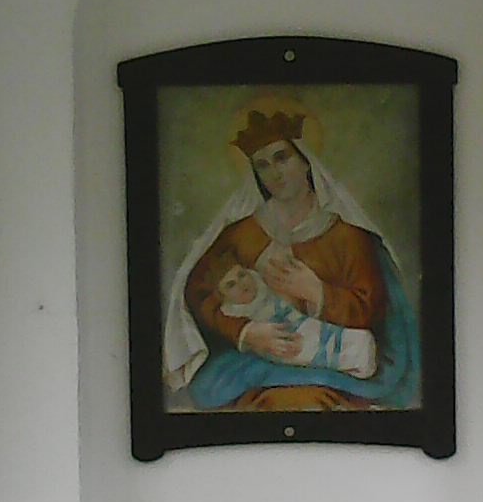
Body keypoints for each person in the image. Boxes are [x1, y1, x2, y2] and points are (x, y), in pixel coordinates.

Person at [163, 95, 419, 412]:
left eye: (282, 158)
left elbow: (373, 308)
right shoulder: (240, 234)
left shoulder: (349, 237)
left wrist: (319, 293)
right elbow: (198, 292)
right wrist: (245, 333)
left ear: (306, 161)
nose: (275, 173)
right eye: (263, 165)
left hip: (334, 371)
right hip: (257, 368)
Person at [216, 258, 377, 380]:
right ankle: (356, 362)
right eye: (231, 285)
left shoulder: (264, 291)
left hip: (297, 322)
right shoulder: (237, 314)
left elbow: (287, 308)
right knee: (313, 349)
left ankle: (358, 343)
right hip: (282, 341)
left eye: (241, 275)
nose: (241, 283)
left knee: (324, 333)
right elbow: (263, 342)